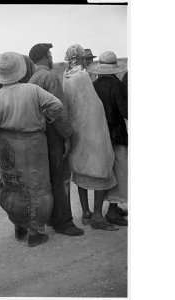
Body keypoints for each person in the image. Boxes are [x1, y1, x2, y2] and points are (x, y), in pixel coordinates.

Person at [0, 52, 63, 247]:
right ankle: (35, 231)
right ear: (20, 69)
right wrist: (45, 116)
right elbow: (57, 106)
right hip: (34, 144)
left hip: (6, 146)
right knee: (38, 187)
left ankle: (19, 224)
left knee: (12, 186)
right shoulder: (33, 90)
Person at [29, 43, 84, 236]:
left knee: (50, 178)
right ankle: (64, 222)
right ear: (45, 56)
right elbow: (57, 110)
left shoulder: (32, 78)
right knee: (61, 179)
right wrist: (67, 135)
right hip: (54, 133)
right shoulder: (50, 77)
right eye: (50, 54)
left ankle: (53, 218)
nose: (52, 57)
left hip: (40, 134)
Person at [63, 44, 118, 231]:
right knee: (102, 168)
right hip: (93, 132)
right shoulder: (83, 77)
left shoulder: (66, 76)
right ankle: (97, 216)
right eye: (86, 58)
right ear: (81, 58)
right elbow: (92, 106)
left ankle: (86, 212)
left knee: (81, 172)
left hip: (77, 131)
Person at [87, 51, 128, 226]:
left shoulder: (93, 85)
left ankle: (107, 209)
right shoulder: (117, 85)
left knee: (106, 172)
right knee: (120, 172)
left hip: (99, 135)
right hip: (116, 134)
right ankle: (112, 210)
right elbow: (125, 111)